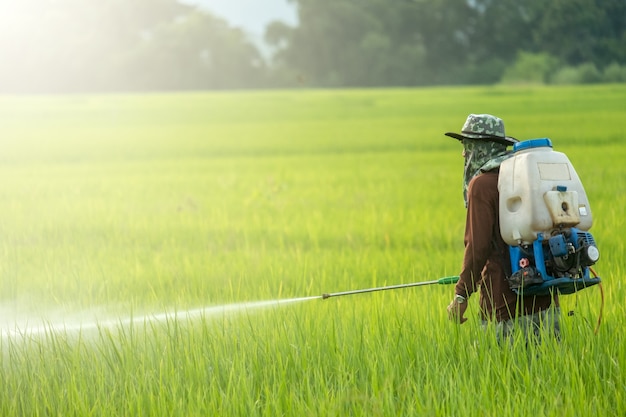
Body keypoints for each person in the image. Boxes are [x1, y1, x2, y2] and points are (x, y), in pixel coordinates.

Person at [444, 114, 560, 343]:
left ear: (481, 148)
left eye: (468, 146)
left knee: (503, 372)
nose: (464, 154)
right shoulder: (525, 178)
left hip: (503, 302)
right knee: (546, 368)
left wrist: (461, 295)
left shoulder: (483, 185)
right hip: (545, 296)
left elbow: (477, 248)